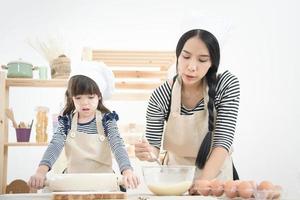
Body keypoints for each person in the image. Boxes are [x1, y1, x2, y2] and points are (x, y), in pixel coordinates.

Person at [134, 29, 240, 194]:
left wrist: (203, 183)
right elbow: (153, 146)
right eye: (185, 56)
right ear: (177, 56)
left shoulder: (225, 85)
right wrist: (147, 153)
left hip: (215, 179)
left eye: (202, 60)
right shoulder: (161, 95)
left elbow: (223, 141)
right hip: (176, 180)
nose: (191, 67)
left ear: (212, 63)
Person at [28, 61, 139, 190]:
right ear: (72, 98)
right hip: (73, 183)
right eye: (78, 98)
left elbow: (117, 145)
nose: (84, 103)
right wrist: (40, 172)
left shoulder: (107, 120)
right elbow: (55, 145)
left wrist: (127, 171)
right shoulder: (66, 122)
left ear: (99, 97)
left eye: (90, 97)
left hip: (103, 184)